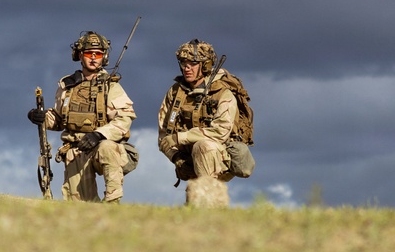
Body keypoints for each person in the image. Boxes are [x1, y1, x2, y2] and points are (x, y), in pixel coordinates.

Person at [27, 31, 136, 203]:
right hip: (76, 150)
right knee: (80, 206)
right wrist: (42, 118)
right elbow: (59, 119)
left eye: (98, 54)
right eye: (88, 53)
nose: (93, 58)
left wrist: (99, 135)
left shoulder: (111, 86)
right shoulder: (68, 86)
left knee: (107, 147)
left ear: (104, 57)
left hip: (102, 147)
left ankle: (113, 205)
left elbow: (125, 119)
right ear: (80, 55)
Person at [157, 39, 237, 208]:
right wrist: (176, 157)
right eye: (183, 63)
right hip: (187, 156)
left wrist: (183, 137)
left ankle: (208, 206)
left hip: (219, 155)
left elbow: (220, 131)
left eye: (193, 63)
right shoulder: (175, 92)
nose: (187, 68)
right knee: (192, 201)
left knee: (202, 146)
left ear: (206, 66)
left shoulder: (222, 92)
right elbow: (164, 135)